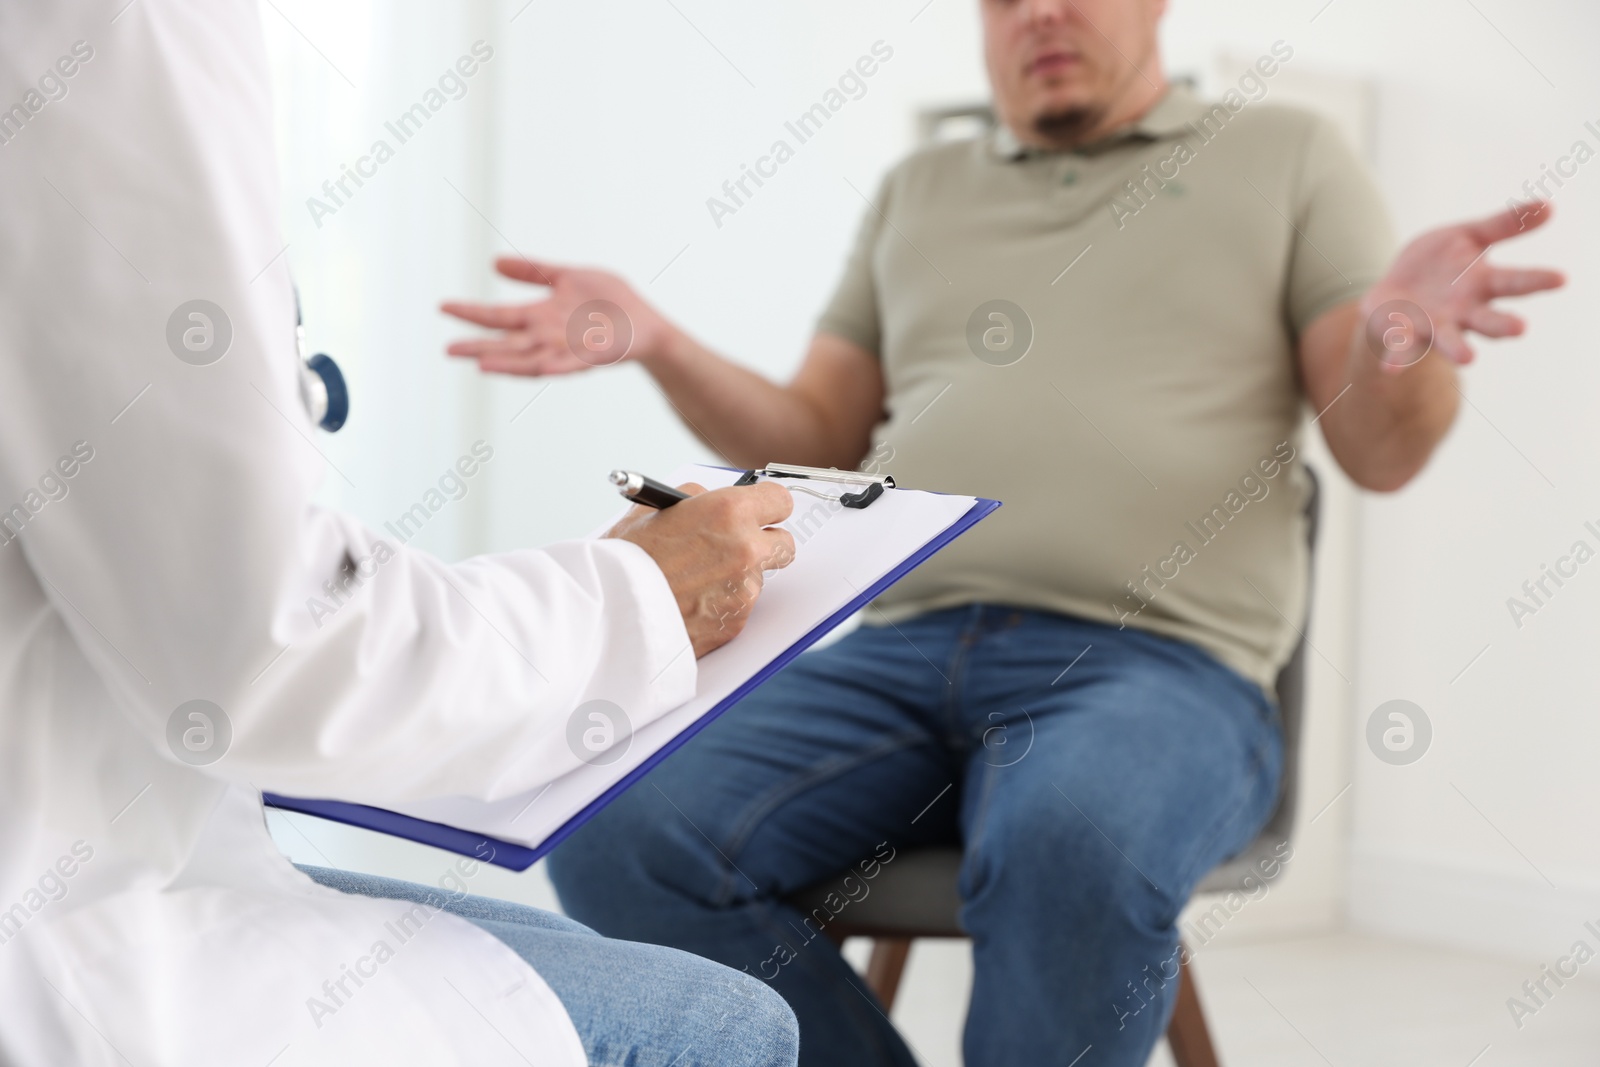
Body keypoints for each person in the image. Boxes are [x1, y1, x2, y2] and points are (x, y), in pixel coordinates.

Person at [441, 0, 1565, 1063]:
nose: (1037, 15)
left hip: (1157, 667)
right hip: (897, 652)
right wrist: (660, 339)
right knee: (615, 818)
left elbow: (1381, 448)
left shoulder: (1287, 155)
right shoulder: (917, 189)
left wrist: (1393, 343)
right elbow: (813, 435)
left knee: (1067, 837)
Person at [0, 3, 800, 1065]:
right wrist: (634, 597)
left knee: (558, 944)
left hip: (98, 829)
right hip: (56, 911)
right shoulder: (125, 24)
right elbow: (263, 647)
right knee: (724, 1023)